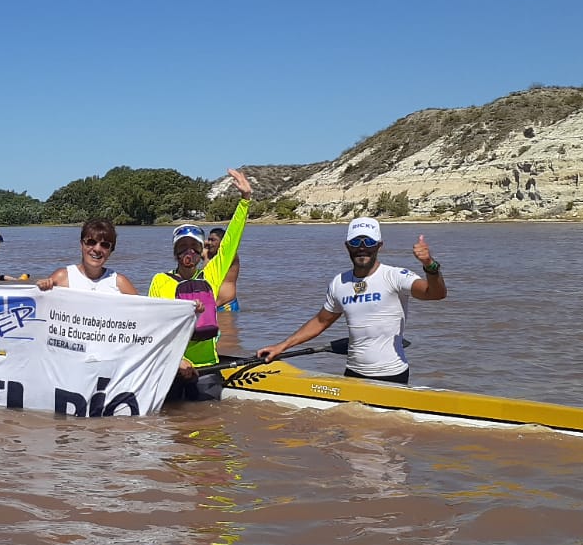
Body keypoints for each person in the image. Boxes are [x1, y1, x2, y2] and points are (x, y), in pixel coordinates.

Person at [256, 217, 446, 385]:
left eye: (369, 242)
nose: (362, 247)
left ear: (379, 245)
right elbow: (321, 321)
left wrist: (430, 265)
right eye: (356, 242)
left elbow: (435, 293)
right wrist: (282, 346)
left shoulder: (395, 276)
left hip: (391, 375)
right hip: (353, 374)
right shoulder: (340, 282)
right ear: (347, 245)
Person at [150, 168, 253, 401]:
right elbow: (153, 327)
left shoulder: (211, 275)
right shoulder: (160, 280)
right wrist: (177, 361)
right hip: (172, 367)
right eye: (183, 248)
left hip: (207, 368)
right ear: (175, 252)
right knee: (174, 430)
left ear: (201, 252)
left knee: (208, 427)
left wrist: (245, 200)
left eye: (194, 248)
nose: (189, 253)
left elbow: (231, 241)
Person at [35, 219, 138, 294]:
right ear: (81, 244)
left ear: (111, 250)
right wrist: (41, 288)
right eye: (91, 242)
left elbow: (143, 312)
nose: (97, 249)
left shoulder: (120, 283)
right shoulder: (62, 277)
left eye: (105, 245)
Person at [205, 227, 239, 312]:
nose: (209, 243)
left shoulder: (230, 256)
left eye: (213, 240)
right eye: (208, 239)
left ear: (222, 242)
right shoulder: (207, 255)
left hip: (226, 305)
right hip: (211, 306)